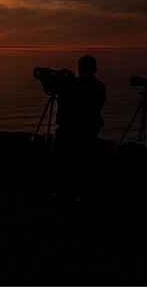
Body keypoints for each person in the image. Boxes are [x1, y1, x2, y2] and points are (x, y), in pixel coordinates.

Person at [53, 54, 107, 206]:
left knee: (62, 163)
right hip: (89, 132)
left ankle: (58, 195)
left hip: (68, 131)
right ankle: (82, 198)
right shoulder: (100, 87)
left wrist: (65, 79)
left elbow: (56, 88)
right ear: (95, 69)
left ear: (79, 68)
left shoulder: (70, 84)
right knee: (85, 166)